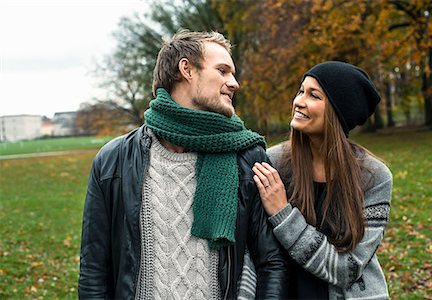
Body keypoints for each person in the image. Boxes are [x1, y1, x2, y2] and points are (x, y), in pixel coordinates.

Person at [78, 29, 288, 300]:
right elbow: (94, 268)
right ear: (186, 69)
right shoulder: (114, 160)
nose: (234, 82)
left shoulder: (246, 156)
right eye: (223, 71)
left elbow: (271, 262)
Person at [252, 61, 393, 299]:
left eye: (313, 95)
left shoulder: (373, 177)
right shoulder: (271, 163)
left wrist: (283, 215)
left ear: (339, 112)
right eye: (300, 91)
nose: (298, 101)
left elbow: (347, 269)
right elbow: (252, 251)